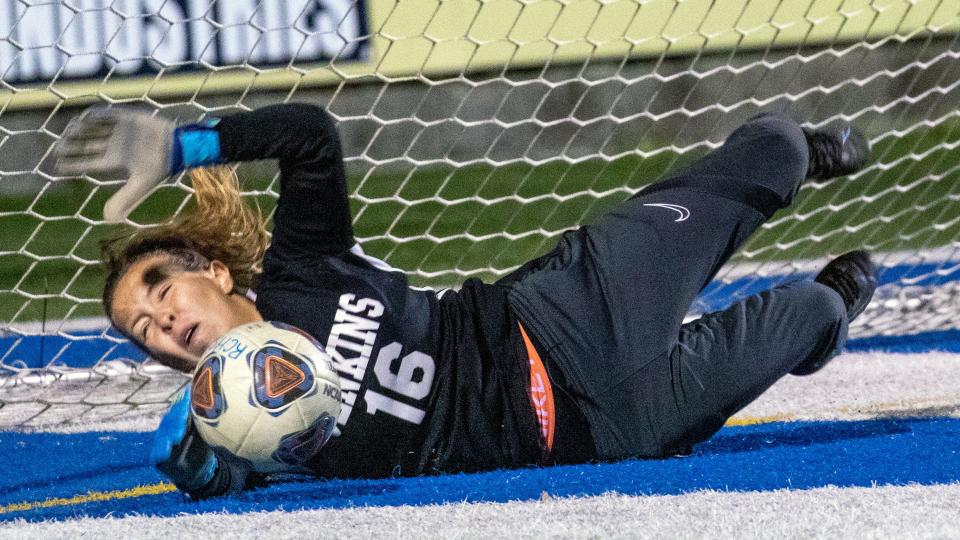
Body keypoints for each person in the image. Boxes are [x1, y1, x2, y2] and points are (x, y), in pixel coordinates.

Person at [53, 103, 877, 498]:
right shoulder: (229, 429)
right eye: (141, 330)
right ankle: (827, 312)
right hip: (607, 429)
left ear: (215, 271)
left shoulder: (305, 268)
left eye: (159, 287)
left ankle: (802, 152)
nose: (159, 321)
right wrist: (210, 474)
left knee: (768, 149)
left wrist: (184, 144)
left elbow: (309, 136)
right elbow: (236, 490)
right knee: (811, 312)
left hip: (563, 311)